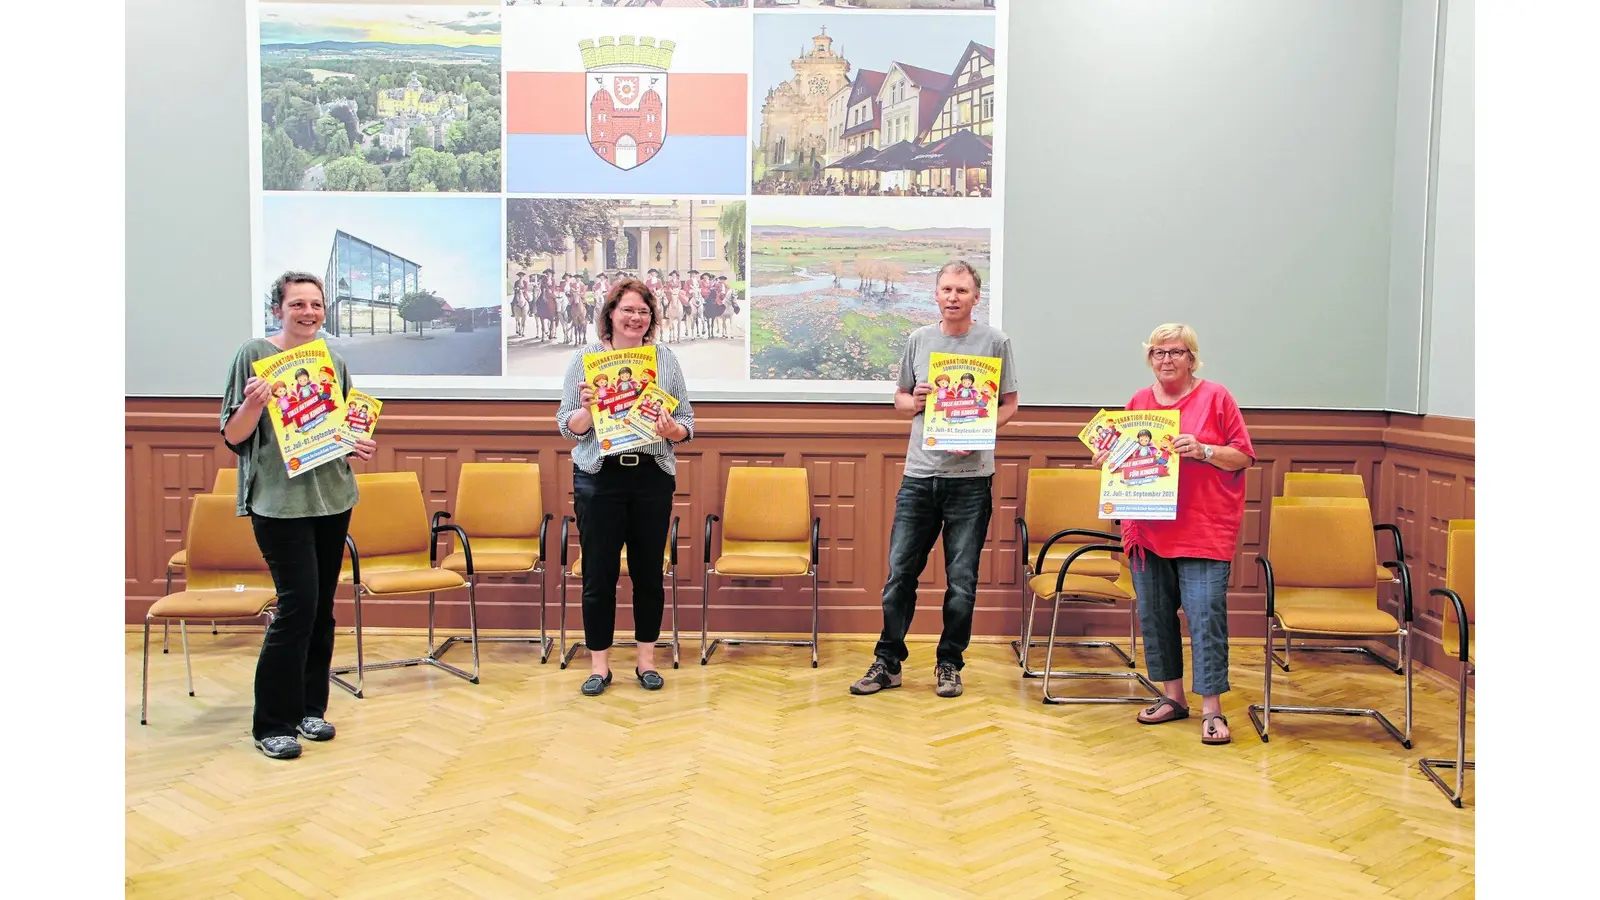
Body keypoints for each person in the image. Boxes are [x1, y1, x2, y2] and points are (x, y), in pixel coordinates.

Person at [221, 272, 377, 760]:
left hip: (332, 498)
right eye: (297, 304)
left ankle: (312, 708)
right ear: (278, 309)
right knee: (296, 607)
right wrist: (252, 404)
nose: (308, 312)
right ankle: (272, 722)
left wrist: (358, 443)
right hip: (279, 503)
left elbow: (342, 426)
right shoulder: (253, 354)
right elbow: (233, 435)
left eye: (316, 304)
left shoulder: (333, 360)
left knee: (320, 609)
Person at [851, 260, 1019, 699]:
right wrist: (916, 401)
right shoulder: (919, 340)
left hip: (971, 479)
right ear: (936, 294)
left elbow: (1011, 404)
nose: (953, 296)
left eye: (962, 290)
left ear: (975, 297)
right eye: (946, 288)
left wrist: (981, 431)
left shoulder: (996, 342)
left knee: (961, 580)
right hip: (919, 476)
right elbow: (900, 401)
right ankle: (888, 663)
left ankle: (949, 664)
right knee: (899, 576)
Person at [1095, 323, 1255, 745]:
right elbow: (1126, 460)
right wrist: (1107, 461)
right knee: (1155, 616)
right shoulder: (1138, 402)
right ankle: (1172, 697)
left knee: (1206, 618)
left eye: (1176, 352)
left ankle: (1212, 710)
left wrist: (1202, 449)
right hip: (1148, 528)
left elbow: (1242, 457)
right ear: (1149, 358)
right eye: (1158, 352)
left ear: (1192, 357)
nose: (1166, 360)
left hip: (1203, 528)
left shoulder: (1217, 397)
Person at [556, 277, 695, 696]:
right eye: (628, 310)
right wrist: (586, 408)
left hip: (651, 477)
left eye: (644, 312)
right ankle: (599, 666)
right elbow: (568, 428)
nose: (636, 318)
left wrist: (672, 430)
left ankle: (646, 661)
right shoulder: (585, 361)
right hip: (599, 478)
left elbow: (687, 423)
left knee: (648, 573)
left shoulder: (665, 359)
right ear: (610, 315)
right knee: (598, 574)